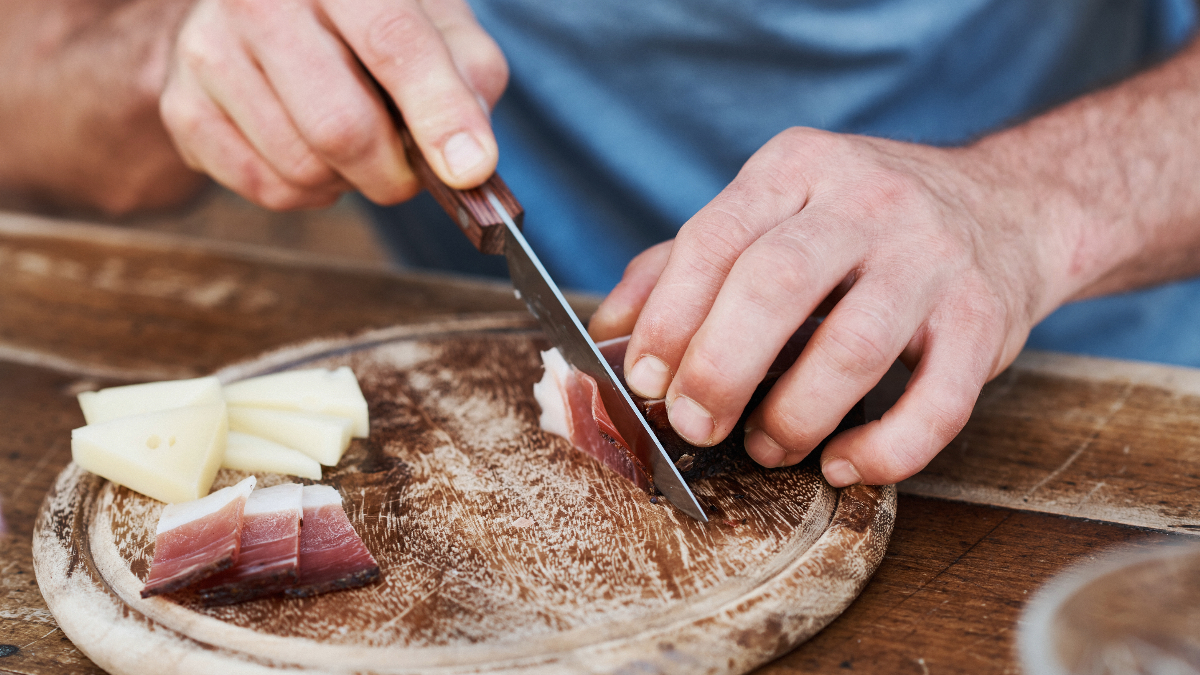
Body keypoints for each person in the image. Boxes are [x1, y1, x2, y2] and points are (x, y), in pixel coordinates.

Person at [5, 0, 1200, 489]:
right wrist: (178, 47)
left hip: (1094, 415)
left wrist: (1023, 207)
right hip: (467, 409)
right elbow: (30, 90)